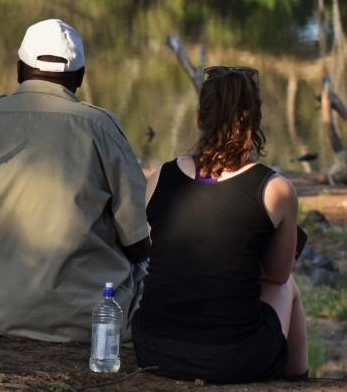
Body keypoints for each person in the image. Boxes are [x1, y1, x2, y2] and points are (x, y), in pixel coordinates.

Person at [0, 19, 150, 342]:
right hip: (82, 322)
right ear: (80, 77)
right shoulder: (99, 126)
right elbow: (139, 239)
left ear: (19, 69)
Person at [132, 65, 308, 383]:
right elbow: (277, 275)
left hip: (152, 349)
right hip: (230, 359)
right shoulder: (276, 189)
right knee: (287, 288)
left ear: (200, 119)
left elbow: (162, 256)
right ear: (256, 123)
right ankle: (298, 376)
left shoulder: (160, 176)